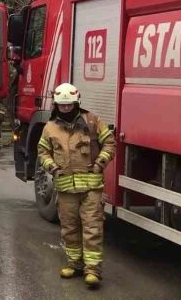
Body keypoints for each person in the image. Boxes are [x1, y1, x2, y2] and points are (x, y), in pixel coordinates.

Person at [37, 83, 116, 288]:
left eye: (68, 104)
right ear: (56, 105)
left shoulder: (92, 121)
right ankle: (75, 264)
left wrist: (100, 163)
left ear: (76, 102)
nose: (65, 108)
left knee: (92, 228)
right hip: (65, 188)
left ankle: (93, 270)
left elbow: (110, 142)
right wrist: (52, 167)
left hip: (91, 187)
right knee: (69, 228)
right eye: (61, 105)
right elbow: (43, 152)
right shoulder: (50, 127)